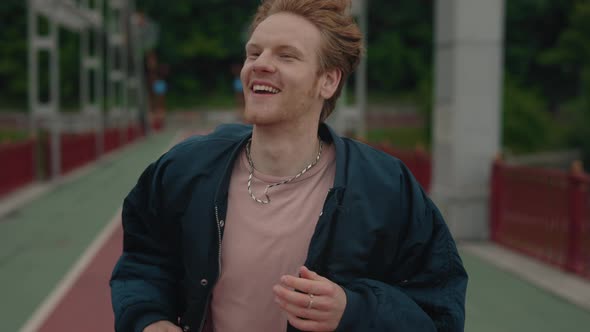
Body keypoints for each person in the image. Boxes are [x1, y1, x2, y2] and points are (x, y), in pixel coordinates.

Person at [110, 0, 468, 331]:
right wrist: (149, 319)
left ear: (328, 81)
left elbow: (438, 313)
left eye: (286, 56)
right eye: (254, 52)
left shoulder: (385, 187)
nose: (260, 64)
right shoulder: (187, 168)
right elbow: (143, 262)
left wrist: (353, 310)